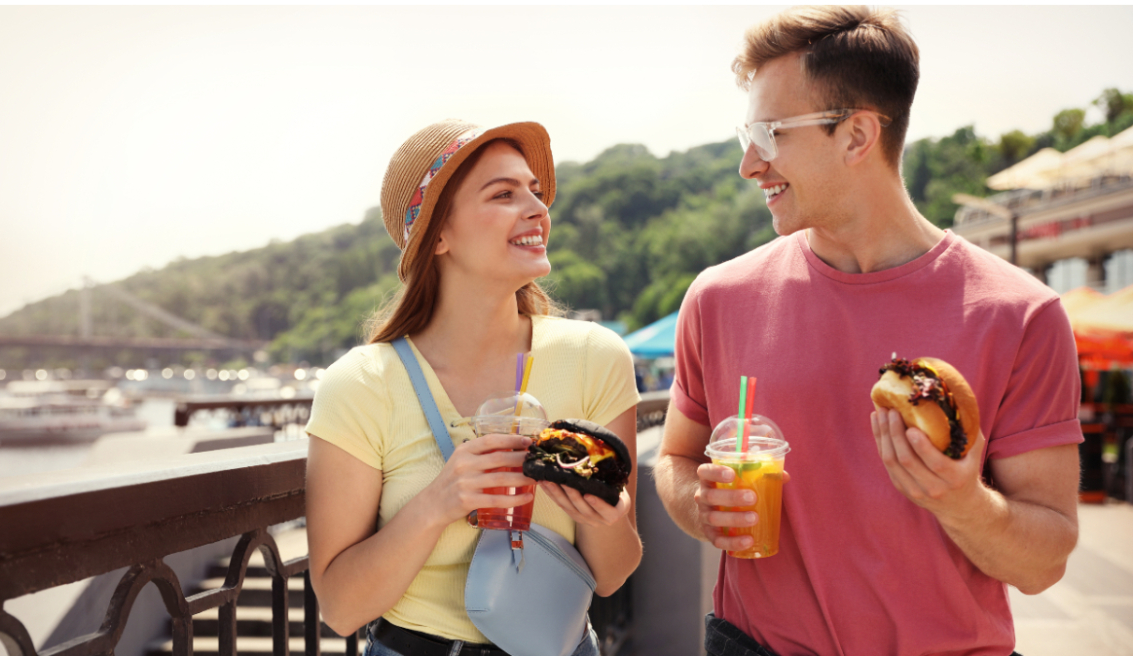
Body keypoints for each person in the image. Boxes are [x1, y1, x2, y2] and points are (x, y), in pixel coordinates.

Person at [653, 7, 1083, 656]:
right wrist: (697, 502)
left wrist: (963, 502)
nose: (748, 164)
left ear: (857, 136)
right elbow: (676, 459)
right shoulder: (718, 298)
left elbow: (1043, 563)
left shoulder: (1021, 314)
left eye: (770, 133)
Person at [304, 119, 642, 656]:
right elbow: (342, 608)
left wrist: (607, 516)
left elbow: (612, 575)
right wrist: (439, 501)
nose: (536, 208)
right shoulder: (362, 384)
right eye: (504, 194)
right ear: (438, 235)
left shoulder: (594, 358)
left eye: (534, 191)